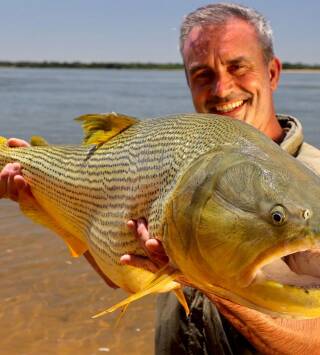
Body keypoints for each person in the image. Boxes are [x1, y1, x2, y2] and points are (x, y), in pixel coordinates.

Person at [1, 3, 320, 354]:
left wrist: (197, 274)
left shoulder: (314, 180)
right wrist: (39, 199)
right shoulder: (172, 160)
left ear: (272, 72)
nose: (222, 88)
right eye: (202, 74)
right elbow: (117, 269)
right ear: (188, 82)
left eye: (237, 67)